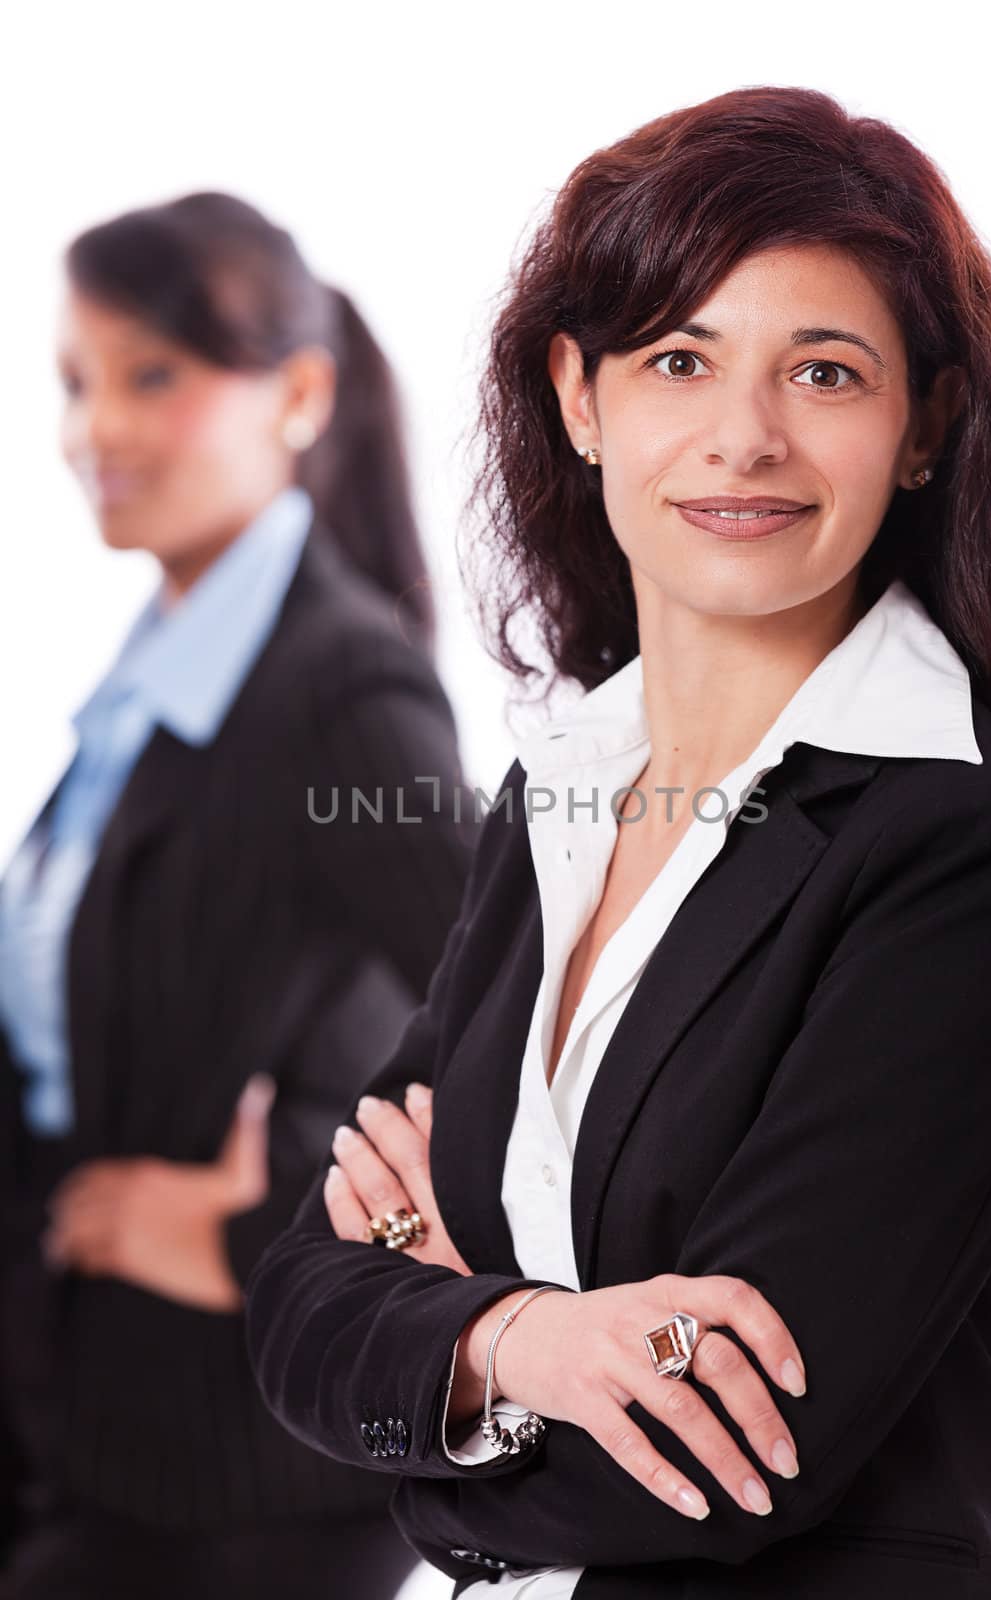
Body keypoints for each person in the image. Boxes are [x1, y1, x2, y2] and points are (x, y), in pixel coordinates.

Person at [244, 87, 991, 1600]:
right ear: (581, 397)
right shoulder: (558, 790)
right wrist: (526, 1341)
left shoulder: (983, 851)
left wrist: (433, 1367)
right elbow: (295, 1302)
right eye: (679, 360)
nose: (743, 438)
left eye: (825, 371)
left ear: (926, 425)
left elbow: (727, 1459)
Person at [0, 191, 476, 1598]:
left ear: (301, 393)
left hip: (233, 1476)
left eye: (155, 376)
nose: (98, 432)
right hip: (83, 1429)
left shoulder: (338, 688)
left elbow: (522, 1018)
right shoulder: (157, 685)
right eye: (78, 384)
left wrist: (260, 1227)